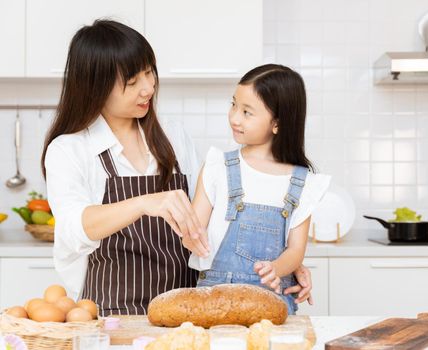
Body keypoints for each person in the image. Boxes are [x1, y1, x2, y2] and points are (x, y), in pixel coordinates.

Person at [41, 20, 313, 316]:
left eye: (149, 72)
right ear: (95, 86)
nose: (148, 88)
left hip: (185, 311)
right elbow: (74, 227)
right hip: (112, 315)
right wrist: (145, 203)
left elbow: (215, 218)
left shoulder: (173, 136)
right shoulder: (69, 150)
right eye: (132, 82)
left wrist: (285, 261)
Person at [182, 64, 330, 314]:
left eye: (247, 112)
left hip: (273, 297)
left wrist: (277, 269)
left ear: (278, 123)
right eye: (233, 105)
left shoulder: (303, 183)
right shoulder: (218, 166)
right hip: (214, 296)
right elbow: (193, 229)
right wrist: (191, 238)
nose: (234, 117)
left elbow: (295, 250)